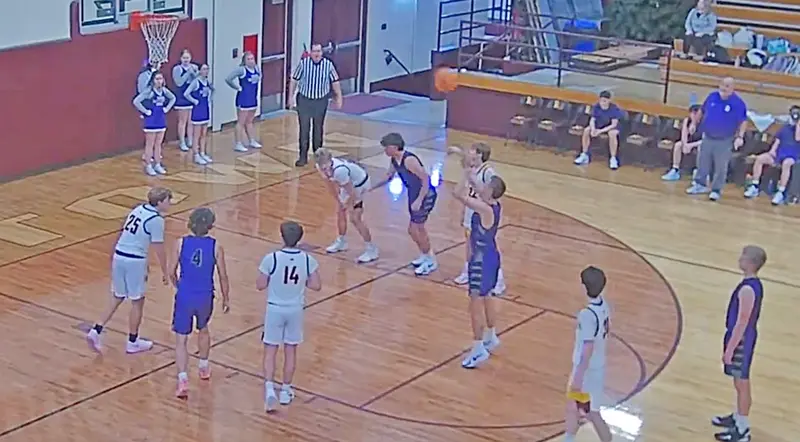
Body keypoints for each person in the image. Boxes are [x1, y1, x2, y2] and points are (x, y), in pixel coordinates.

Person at [85, 187, 172, 355]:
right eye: (168, 200)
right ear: (160, 202)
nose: (170, 203)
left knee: (117, 296)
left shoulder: (138, 209)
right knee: (137, 301)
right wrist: (164, 270)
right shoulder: (156, 220)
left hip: (119, 255)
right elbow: (159, 247)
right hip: (134, 259)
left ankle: (95, 330)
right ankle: (133, 341)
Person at [258, 221, 322, 412]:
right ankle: (286, 390)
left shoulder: (271, 258)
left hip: (274, 308)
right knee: (291, 350)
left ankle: (269, 388)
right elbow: (316, 285)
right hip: (295, 309)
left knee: (270, 350)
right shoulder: (307, 259)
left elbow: (260, 285)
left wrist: (271, 279)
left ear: (282, 236)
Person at [169, 207, 230, 399]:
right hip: (205, 295)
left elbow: (171, 271)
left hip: (185, 295)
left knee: (181, 339)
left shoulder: (180, 243)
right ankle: (203, 366)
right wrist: (226, 298)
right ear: (210, 226)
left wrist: (178, 285)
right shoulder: (216, 246)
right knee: (203, 329)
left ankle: (182, 379)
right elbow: (223, 275)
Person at [452, 162, 506, 368]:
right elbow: (476, 184)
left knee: (474, 303)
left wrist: (464, 175)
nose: (481, 187)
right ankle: (490, 336)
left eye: (485, 187)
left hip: (481, 259)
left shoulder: (484, 208)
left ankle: (477, 348)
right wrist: (469, 171)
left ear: (491, 192)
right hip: (492, 255)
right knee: (488, 295)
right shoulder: (493, 204)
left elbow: (458, 194)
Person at [711, 245, 766, 442]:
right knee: (738, 381)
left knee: (742, 383)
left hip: (742, 340)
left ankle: (743, 429)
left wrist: (730, 349)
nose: (739, 258)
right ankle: (737, 417)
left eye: (743, 256)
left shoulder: (748, 289)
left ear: (750, 262)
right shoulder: (751, 284)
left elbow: (742, 322)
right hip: (742, 338)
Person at [374, 133, 439, 276]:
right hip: (413, 194)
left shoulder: (409, 160)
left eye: (386, 147)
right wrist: (372, 186)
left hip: (425, 194)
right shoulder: (394, 160)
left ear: (394, 147)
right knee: (413, 230)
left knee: (417, 229)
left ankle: (431, 260)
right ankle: (425, 254)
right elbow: (388, 176)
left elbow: (426, 179)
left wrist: (420, 200)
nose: (384, 150)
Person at [448, 143, 505, 295]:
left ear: (480, 155)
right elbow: (466, 162)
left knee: (486, 245)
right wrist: (458, 152)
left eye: (472, 151)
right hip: (472, 208)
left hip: (483, 210)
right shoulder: (473, 168)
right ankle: (468, 270)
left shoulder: (488, 172)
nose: (469, 154)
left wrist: (474, 182)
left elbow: (492, 190)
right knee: (470, 242)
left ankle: (499, 280)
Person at [564, 266, 612, 442]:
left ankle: (569, 438)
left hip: (586, 370)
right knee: (583, 409)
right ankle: (570, 437)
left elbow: (587, 347)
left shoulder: (587, 314)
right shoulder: (603, 305)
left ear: (584, 287)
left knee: (582, 408)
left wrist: (578, 376)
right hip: (597, 367)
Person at [687, 77, 748, 201]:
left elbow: (743, 121)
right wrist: (694, 123)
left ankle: (716, 189)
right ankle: (700, 184)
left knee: (721, 166)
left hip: (724, 140)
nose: (723, 88)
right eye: (722, 85)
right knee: (702, 161)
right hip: (708, 136)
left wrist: (740, 137)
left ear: (732, 88)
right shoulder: (712, 97)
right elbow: (701, 111)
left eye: (727, 86)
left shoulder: (738, 103)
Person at [315, 148, 379, 263]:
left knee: (355, 218)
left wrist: (347, 204)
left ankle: (371, 249)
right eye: (321, 164)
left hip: (360, 184)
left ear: (330, 160)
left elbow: (353, 193)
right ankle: (342, 241)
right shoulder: (319, 167)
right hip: (347, 185)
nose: (323, 167)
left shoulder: (340, 171)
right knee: (340, 211)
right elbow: (330, 185)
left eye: (325, 163)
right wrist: (339, 202)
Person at [288, 43, 343, 167]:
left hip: (320, 101)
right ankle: (303, 157)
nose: (317, 54)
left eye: (319, 51)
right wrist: (290, 97)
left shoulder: (328, 65)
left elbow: (335, 81)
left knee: (318, 129)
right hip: (304, 100)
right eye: (314, 51)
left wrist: (339, 97)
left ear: (322, 52)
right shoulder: (303, 64)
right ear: (310, 53)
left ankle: (318, 157)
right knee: (304, 129)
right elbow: (294, 80)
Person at [743, 106, 800, 205]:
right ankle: (754, 186)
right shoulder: (785, 128)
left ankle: (780, 192)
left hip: (793, 155)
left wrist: (798, 125)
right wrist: (772, 151)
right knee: (760, 159)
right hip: (779, 153)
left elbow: (797, 138)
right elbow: (778, 140)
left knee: (786, 164)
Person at [133, 72, 177, 176]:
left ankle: (157, 164)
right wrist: (146, 111)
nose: (159, 81)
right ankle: (148, 165)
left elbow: (173, 98)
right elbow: (136, 101)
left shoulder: (164, 91)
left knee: (158, 144)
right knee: (150, 144)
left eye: (160, 78)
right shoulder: (149, 91)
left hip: (161, 120)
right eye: (157, 79)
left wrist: (167, 108)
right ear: (153, 80)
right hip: (151, 121)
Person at [574, 90, 625, 170]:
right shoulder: (596, 107)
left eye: (605, 101)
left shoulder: (614, 109)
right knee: (587, 130)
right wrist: (593, 129)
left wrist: (600, 131)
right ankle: (584, 154)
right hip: (599, 125)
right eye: (601, 100)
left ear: (609, 100)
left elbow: (613, 124)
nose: (602, 103)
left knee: (612, 134)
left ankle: (613, 158)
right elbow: (592, 120)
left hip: (611, 127)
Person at [225, 51, 262, 152]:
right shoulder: (241, 70)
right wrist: (237, 87)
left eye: (252, 59)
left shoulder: (257, 68)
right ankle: (238, 143)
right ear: (244, 61)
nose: (251, 61)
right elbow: (228, 79)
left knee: (250, 121)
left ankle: (252, 140)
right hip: (243, 99)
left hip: (253, 99)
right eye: (248, 59)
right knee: (241, 122)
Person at [662, 104, 703, 181]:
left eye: (696, 114)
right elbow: (683, 135)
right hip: (689, 142)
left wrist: (690, 146)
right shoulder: (687, 121)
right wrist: (685, 144)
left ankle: (698, 172)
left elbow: (704, 140)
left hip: (699, 143)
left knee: (702, 148)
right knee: (678, 145)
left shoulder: (705, 123)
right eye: (692, 113)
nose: (694, 116)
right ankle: (675, 170)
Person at [184, 63, 215, 165]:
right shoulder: (196, 82)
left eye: (207, 69)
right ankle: (196, 154)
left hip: (205, 109)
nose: (206, 71)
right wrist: (194, 101)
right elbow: (186, 93)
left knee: (204, 134)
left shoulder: (207, 82)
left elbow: (212, 91)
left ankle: (202, 152)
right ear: (200, 71)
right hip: (198, 110)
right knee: (196, 134)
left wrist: (210, 99)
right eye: (204, 69)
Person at [171, 49, 199, 152]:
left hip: (191, 97)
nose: (186, 60)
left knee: (191, 121)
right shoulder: (177, 69)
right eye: (184, 58)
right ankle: (182, 141)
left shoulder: (194, 67)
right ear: (180, 58)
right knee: (182, 121)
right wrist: (188, 73)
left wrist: (195, 74)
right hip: (181, 97)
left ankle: (190, 140)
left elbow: (197, 81)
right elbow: (179, 83)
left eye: (187, 58)